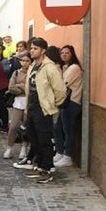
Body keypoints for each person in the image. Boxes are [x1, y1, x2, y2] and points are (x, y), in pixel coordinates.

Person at [23, 37, 67, 183]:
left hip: (43, 108)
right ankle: (40, 165)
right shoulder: (33, 66)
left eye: (35, 48)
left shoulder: (50, 67)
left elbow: (60, 90)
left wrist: (52, 104)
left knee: (44, 139)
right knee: (32, 135)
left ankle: (47, 168)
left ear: (43, 51)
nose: (32, 51)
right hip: (32, 106)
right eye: (31, 48)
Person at [54, 45, 83, 168]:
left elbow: (62, 83)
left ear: (72, 54)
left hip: (71, 102)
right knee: (58, 127)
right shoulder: (65, 67)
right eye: (62, 53)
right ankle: (60, 152)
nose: (64, 55)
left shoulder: (74, 68)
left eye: (67, 53)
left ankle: (67, 156)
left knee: (67, 129)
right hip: (65, 102)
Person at [3, 52, 31, 160]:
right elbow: (11, 87)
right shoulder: (16, 73)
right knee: (13, 126)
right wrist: (23, 87)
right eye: (22, 61)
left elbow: (31, 89)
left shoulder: (32, 73)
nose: (24, 63)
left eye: (27, 61)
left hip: (29, 102)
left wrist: (20, 86)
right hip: (18, 101)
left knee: (26, 127)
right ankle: (9, 148)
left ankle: (24, 148)